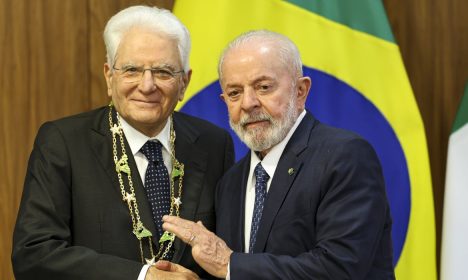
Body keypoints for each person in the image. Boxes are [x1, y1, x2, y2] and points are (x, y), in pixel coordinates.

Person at [12, 6, 234, 280]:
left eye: (164, 72)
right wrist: (143, 276)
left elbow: (228, 251)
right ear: (109, 76)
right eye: (131, 70)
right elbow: (34, 254)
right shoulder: (63, 143)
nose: (147, 85)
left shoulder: (214, 143)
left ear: (184, 83)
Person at [162, 30, 395, 279]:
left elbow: (340, 268)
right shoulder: (230, 182)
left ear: (301, 91)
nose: (248, 103)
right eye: (234, 93)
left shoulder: (345, 156)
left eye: (263, 87)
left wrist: (229, 264)